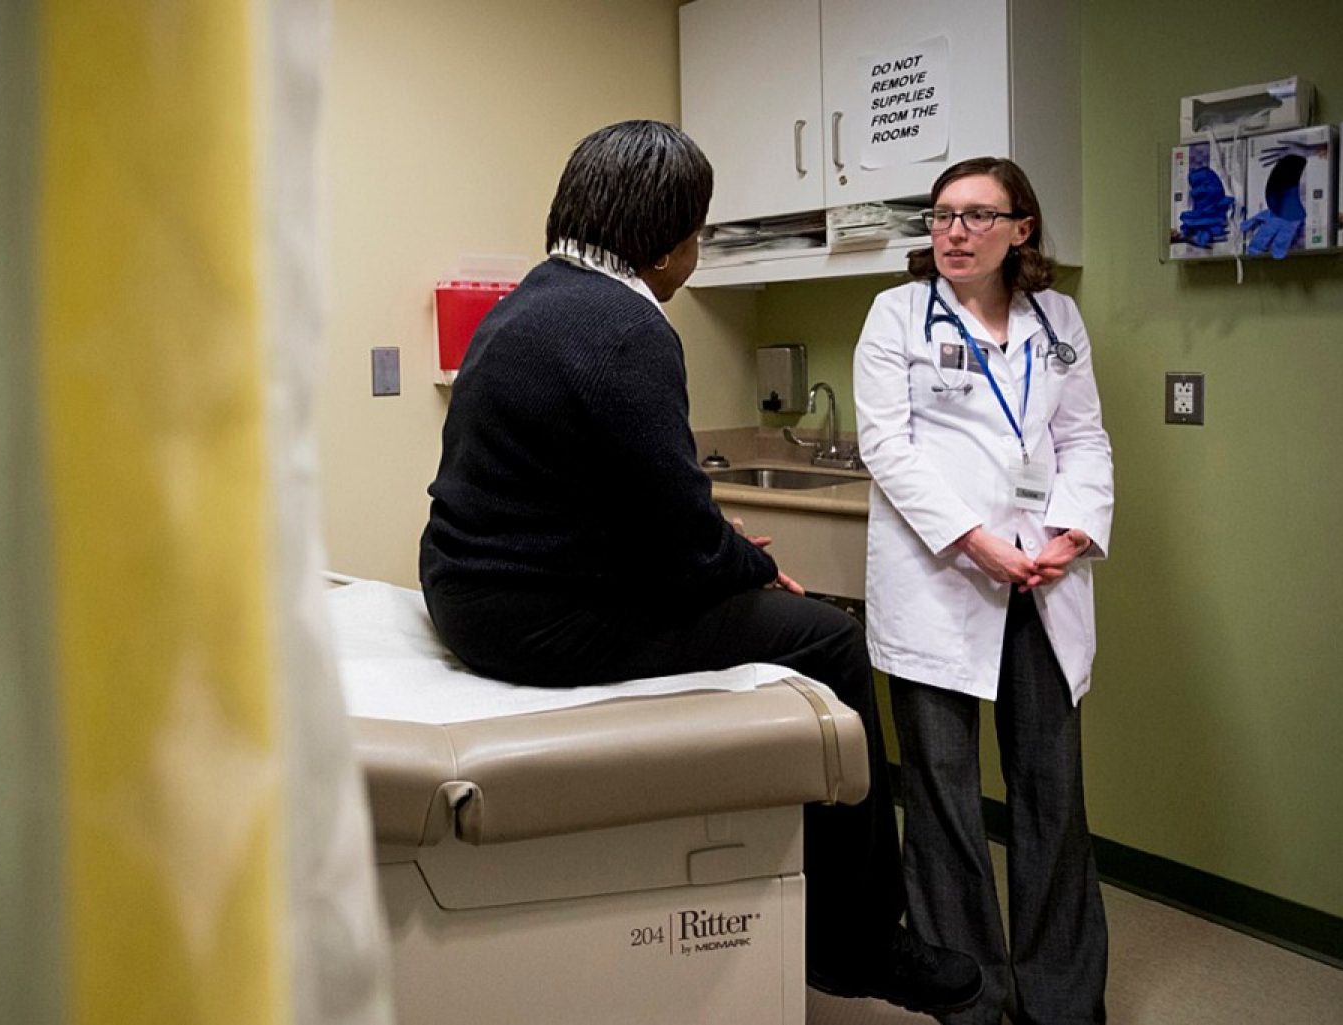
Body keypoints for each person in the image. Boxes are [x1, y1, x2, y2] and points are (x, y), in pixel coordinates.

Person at [418, 119, 981, 1016]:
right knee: (830, 640)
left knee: (760, 596)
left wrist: (720, 555)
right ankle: (858, 939)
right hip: (531, 622)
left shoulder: (528, 302)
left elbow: (622, 499)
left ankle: (842, 922)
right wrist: (746, 567)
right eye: (699, 234)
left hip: (467, 591)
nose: (697, 255)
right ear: (670, 238)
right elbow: (681, 542)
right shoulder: (627, 327)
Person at [852, 156, 1114, 1025]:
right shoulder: (897, 314)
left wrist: (1072, 534)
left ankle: (1062, 1000)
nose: (953, 232)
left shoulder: (1058, 318)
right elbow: (887, 448)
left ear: (1021, 229)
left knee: (1051, 789)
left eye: (975, 215)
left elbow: (1085, 439)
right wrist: (976, 543)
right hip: (944, 578)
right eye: (940, 216)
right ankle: (970, 997)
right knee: (942, 790)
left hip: (1044, 575)